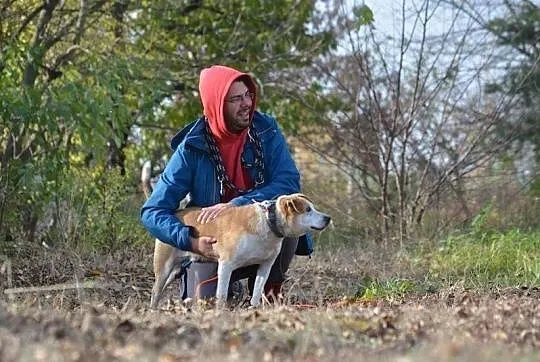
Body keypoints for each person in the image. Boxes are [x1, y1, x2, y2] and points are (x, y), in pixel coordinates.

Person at [140, 64, 312, 302]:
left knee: (286, 215)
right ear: (217, 105)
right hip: (214, 245)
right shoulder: (190, 149)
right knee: (204, 302)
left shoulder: (266, 130)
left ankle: (269, 293)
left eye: (248, 95)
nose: (247, 104)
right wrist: (190, 241)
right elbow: (152, 212)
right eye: (236, 99)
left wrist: (237, 203)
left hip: (261, 236)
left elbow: (289, 182)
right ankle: (228, 285)